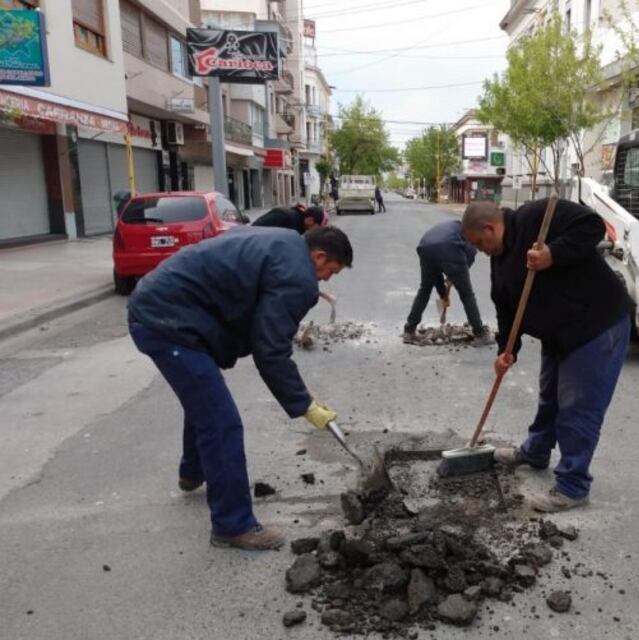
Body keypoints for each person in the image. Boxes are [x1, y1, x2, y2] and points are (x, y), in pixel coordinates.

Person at [127, 226, 353, 551]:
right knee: (222, 423)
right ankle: (233, 525)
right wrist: (304, 404)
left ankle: (193, 472)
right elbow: (270, 350)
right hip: (168, 323)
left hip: (162, 308)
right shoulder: (297, 275)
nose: (326, 280)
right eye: (330, 271)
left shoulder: (286, 245)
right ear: (319, 256)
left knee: (205, 399)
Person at [462, 199, 632, 513]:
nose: (480, 250)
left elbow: (593, 227)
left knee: (577, 409)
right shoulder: (499, 259)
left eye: (479, 243)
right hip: (559, 336)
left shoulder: (537, 217)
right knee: (549, 399)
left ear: (489, 228)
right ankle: (536, 452)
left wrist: (553, 254)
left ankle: (573, 486)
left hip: (595, 327)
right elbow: (506, 307)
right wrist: (506, 351)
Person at [403, 219, 493, 346]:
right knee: (467, 294)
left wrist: (443, 295)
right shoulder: (470, 234)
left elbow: (436, 276)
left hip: (425, 248)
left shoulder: (453, 226)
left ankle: (409, 330)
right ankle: (479, 333)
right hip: (450, 249)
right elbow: (470, 257)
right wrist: (455, 274)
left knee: (424, 290)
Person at [251, 203, 324, 234]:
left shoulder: (300, 226)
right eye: (317, 226)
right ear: (310, 220)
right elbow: (256, 228)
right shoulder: (285, 216)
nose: (316, 230)